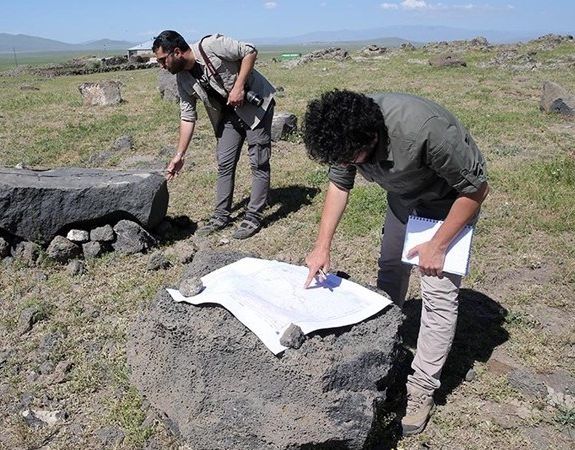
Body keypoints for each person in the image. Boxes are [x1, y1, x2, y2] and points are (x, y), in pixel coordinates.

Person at [302, 90, 489, 436]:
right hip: (404, 198)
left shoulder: (424, 130)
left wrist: (438, 244)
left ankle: (421, 389)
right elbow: (338, 186)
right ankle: (386, 344)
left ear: (372, 138)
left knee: (438, 296)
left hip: (450, 202)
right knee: (390, 267)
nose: (349, 166)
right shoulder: (343, 134)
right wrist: (322, 246)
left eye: (353, 160)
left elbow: (476, 189)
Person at [153, 30, 276, 239]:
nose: (161, 66)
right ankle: (221, 216)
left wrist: (238, 87)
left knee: (258, 161)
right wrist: (180, 155)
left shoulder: (210, 46)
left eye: (163, 60)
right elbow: (187, 116)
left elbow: (249, 51)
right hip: (229, 114)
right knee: (225, 163)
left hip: (256, 107)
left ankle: (253, 216)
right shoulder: (182, 79)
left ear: (176, 52)